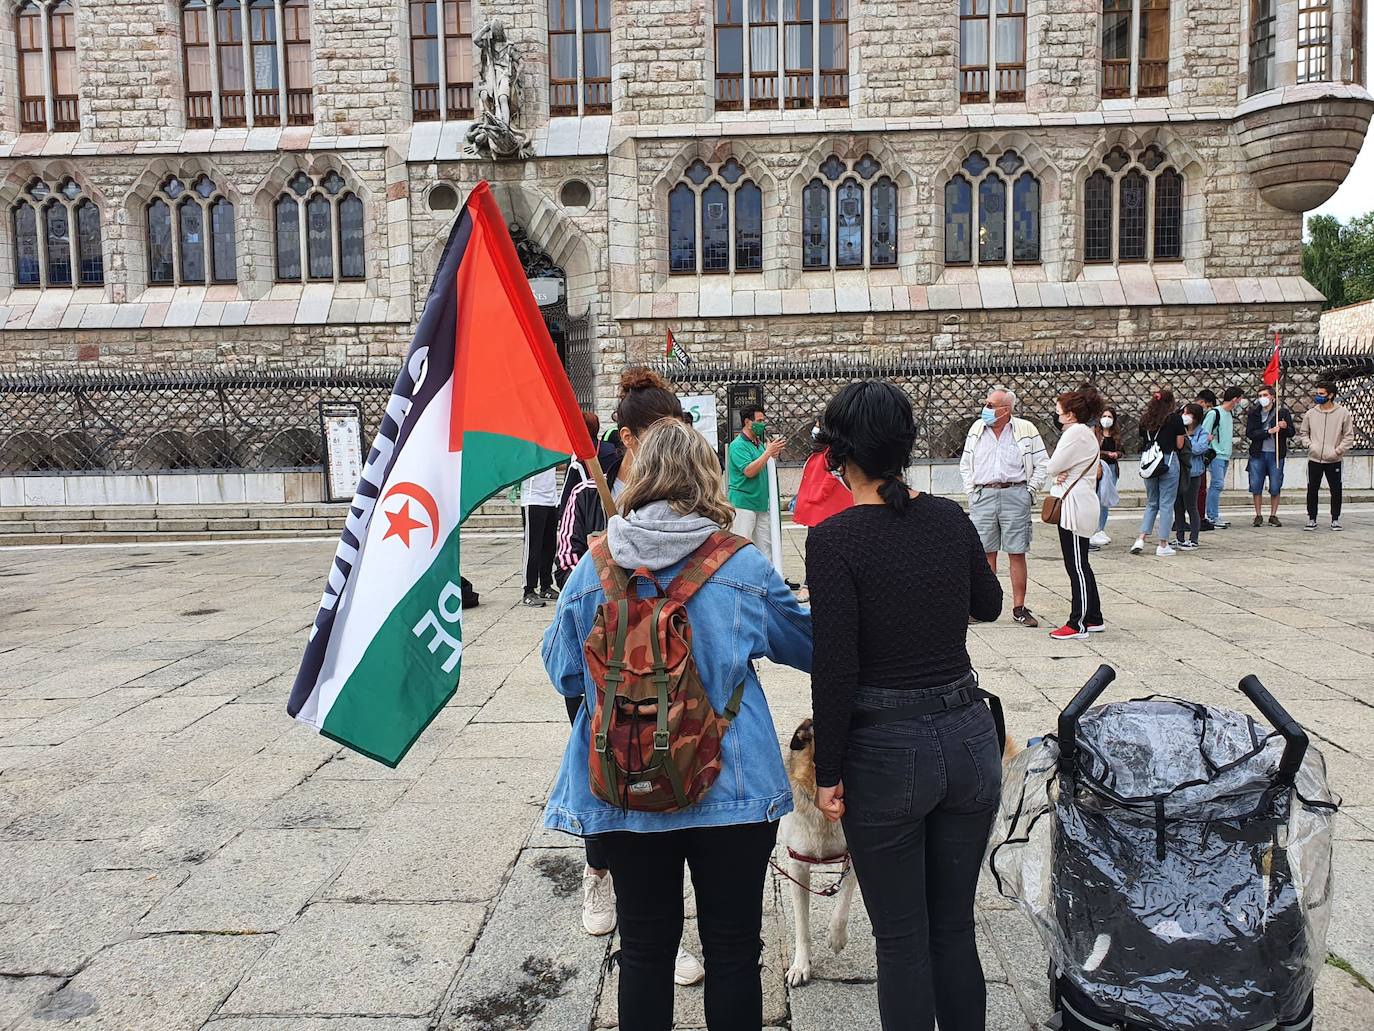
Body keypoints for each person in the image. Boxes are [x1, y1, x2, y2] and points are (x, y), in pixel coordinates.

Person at [543, 417, 813, 1031]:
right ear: (705, 478)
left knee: (642, 949)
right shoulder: (742, 564)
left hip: (624, 788)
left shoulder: (595, 567)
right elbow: (808, 647)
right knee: (736, 952)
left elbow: (563, 672)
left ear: (639, 476)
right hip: (733, 789)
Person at [808, 381, 1004, 1031]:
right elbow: (990, 603)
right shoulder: (949, 517)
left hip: (886, 749)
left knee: (901, 940)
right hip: (970, 737)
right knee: (953, 926)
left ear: (838, 456)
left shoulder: (835, 539)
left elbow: (836, 668)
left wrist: (827, 770)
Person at [555, 369, 683, 588]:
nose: (670, 444)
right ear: (627, 437)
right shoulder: (587, 494)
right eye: (659, 436)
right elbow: (567, 566)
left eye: (677, 434)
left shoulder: (683, 496)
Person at [958, 386, 1048, 628]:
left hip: (1014, 492)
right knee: (985, 553)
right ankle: (984, 607)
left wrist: (1030, 492)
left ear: (1005, 410)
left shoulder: (1026, 430)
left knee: (1017, 552)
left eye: (990, 405)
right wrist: (971, 491)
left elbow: (1042, 463)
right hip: (983, 493)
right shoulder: (977, 429)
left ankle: (1019, 608)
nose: (985, 409)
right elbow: (966, 463)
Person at [1045, 390, 1106, 638]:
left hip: (1074, 506)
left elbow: (1053, 466)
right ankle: (1093, 617)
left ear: (1070, 414)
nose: (1057, 415)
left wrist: (1059, 471)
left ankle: (1077, 622)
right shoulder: (1085, 433)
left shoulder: (1075, 433)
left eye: (1060, 411)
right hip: (1081, 501)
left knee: (1077, 566)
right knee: (1082, 564)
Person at [792, 418, 855, 603]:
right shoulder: (826, 450)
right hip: (823, 506)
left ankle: (809, 585)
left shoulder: (830, 452)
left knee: (817, 548)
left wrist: (816, 495)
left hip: (825, 507)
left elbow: (829, 478)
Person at [1130, 388, 1186, 557]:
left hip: (1149, 463)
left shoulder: (1145, 419)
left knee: (1152, 502)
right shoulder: (1175, 419)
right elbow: (1180, 445)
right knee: (1167, 503)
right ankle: (1163, 544)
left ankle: (1141, 538)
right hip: (1168, 461)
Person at [728, 407, 785, 555]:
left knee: (765, 548)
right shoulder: (738, 445)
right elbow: (749, 471)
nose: (763, 424)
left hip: (761, 504)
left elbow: (763, 464)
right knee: (741, 548)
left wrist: (771, 455)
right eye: (759, 421)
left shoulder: (758, 444)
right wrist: (767, 453)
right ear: (748, 422)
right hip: (743, 505)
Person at [1300, 378, 1355, 531]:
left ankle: (1335, 519)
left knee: (1336, 489)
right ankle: (1312, 518)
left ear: (1330, 395)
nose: (1318, 396)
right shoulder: (1311, 413)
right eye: (1317, 393)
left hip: (1334, 459)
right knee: (1312, 489)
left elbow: (1348, 435)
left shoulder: (1343, 413)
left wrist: (1338, 450)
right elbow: (1304, 433)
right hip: (1314, 458)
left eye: (1322, 394)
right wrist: (1310, 446)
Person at [1245, 384, 1294, 527]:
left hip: (1276, 454)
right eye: (1260, 396)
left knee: (1275, 485)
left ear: (1272, 397)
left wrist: (1284, 427)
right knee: (1256, 485)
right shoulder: (1254, 414)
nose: (1262, 398)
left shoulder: (1282, 413)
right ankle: (1258, 514)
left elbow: (1291, 432)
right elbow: (1250, 433)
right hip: (1258, 453)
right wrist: (1268, 432)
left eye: (1265, 395)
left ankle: (1273, 514)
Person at [1203, 386, 1244, 530]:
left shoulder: (1229, 413)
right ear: (1235, 399)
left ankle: (1213, 514)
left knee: (1218, 485)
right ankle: (1212, 515)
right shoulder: (1215, 413)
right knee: (1217, 484)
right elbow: (1205, 432)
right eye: (1240, 399)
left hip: (1225, 454)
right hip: (1216, 454)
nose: (1241, 402)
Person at [520, 466, 559, 607]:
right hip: (533, 499)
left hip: (552, 499)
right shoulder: (528, 445)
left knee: (550, 546)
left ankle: (545, 586)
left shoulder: (552, 444)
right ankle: (528, 590)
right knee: (532, 548)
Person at [1178, 402, 1212, 550]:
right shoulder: (1180, 431)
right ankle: (1179, 537)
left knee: (1192, 506)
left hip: (1194, 473)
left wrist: (1185, 441)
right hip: (1179, 472)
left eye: (1188, 413)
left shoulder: (1202, 433)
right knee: (1178, 507)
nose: (1185, 416)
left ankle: (1194, 538)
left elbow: (1198, 449)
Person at [1089, 406, 1121, 548]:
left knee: (1106, 499)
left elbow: (1121, 450)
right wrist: (1108, 453)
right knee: (1096, 498)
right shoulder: (1095, 432)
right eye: (1104, 416)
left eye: (1110, 417)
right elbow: (1094, 450)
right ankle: (1093, 529)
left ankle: (1101, 529)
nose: (1106, 420)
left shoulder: (1116, 434)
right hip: (1100, 467)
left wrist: (1117, 454)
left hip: (1112, 468)